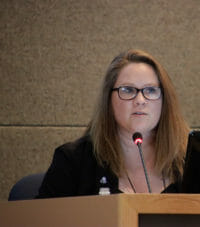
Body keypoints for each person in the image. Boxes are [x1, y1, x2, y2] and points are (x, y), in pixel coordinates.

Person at [37, 49, 189, 198]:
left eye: (150, 90)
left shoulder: (190, 161)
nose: (140, 101)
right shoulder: (74, 161)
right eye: (128, 90)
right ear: (108, 100)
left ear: (165, 100)